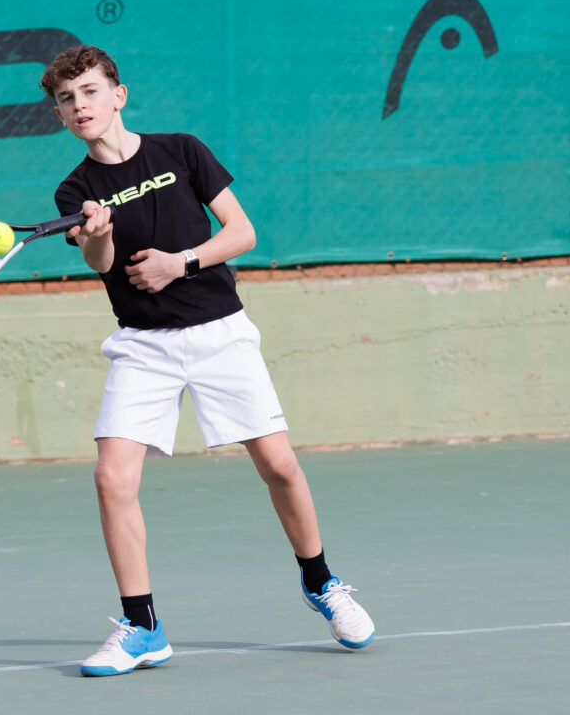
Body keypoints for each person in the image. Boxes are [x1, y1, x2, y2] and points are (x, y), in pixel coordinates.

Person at [40, 45, 374, 677]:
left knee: (279, 465)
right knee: (112, 478)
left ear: (118, 95)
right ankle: (142, 628)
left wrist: (181, 263)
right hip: (144, 345)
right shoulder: (75, 191)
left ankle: (321, 582)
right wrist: (99, 234)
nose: (79, 105)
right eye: (66, 99)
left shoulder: (181, 151)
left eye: (89, 91)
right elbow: (101, 264)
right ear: (58, 115)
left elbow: (242, 233)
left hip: (220, 331)